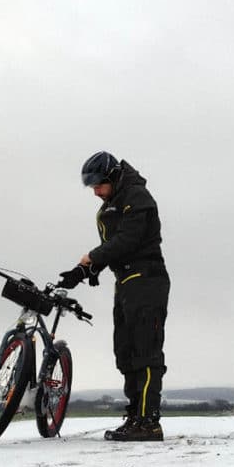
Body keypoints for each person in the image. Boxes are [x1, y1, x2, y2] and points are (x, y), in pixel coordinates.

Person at [57, 151, 170, 441]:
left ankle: (148, 423)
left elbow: (128, 240)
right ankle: (134, 416)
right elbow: (112, 247)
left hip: (147, 279)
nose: (95, 191)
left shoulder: (137, 197)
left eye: (98, 184)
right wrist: (82, 272)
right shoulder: (109, 206)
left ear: (112, 176)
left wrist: (92, 258)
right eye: (91, 186)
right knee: (125, 351)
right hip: (125, 283)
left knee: (146, 350)